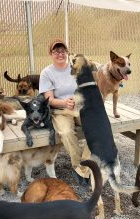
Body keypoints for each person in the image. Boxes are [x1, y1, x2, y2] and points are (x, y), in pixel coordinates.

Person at [39, 38, 90, 185]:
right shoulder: (46, 73)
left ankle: (84, 168)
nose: (60, 54)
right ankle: (79, 166)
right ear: (51, 53)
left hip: (80, 106)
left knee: (95, 127)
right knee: (66, 133)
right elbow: (49, 99)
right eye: (56, 51)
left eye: (63, 51)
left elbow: (86, 87)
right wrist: (64, 102)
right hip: (60, 110)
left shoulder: (76, 68)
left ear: (67, 52)